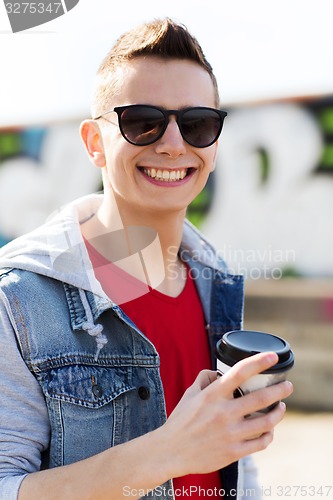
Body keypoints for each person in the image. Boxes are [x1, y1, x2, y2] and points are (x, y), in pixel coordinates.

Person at [0, 18, 293, 500]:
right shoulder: (20, 299)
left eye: (197, 123)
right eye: (142, 122)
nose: (173, 143)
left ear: (215, 145)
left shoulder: (215, 281)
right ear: (95, 143)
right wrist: (166, 453)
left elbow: (235, 465)